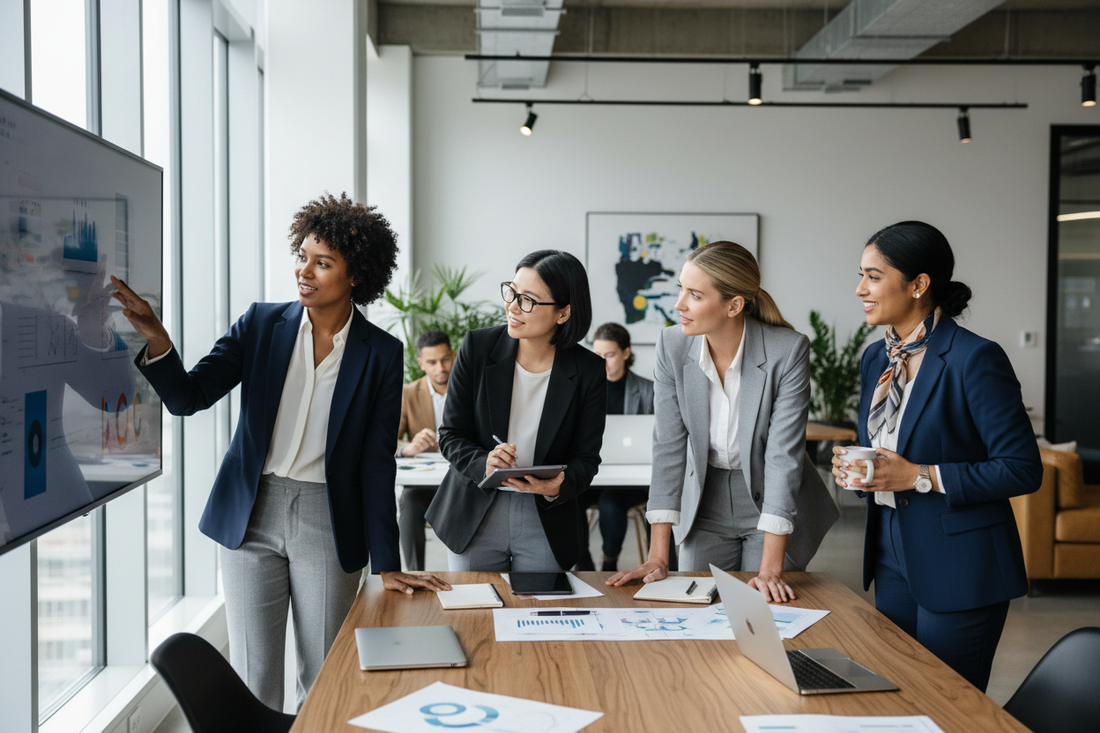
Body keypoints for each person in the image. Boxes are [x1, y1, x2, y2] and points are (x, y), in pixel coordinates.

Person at [110, 193, 449, 709]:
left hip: (328, 517)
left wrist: (387, 562)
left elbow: (377, 462)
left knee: (323, 671)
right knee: (254, 676)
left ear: (355, 274)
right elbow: (189, 398)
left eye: (323, 262)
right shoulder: (262, 325)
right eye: (303, 257)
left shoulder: (380, 352)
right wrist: (158, 338)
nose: (304, 271)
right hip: (251, 513)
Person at [830, 221, 1041, 691]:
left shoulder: (975, 359)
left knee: (947, 703)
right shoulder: (875, 358)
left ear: (919, 285)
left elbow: (1022, 469)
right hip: (890, 551)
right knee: (897, 696)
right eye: (860, 274)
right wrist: (856, 465)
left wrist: (919, 476)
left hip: (962, 562)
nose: (860, 288)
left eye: (873, 275)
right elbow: (891, 448)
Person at [608, 241, 837, 602]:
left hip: (769, 500)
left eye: (694, 295)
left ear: (734, 305)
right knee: (696, 609)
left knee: (764, 609)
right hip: (704, 499)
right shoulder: (672, 345)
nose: (679, 304)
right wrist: (657, 555)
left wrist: (770, 570)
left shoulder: (787, 350)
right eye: (680, 289)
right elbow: (668, 446)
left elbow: (783, 456)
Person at [426, 250, 606, 572]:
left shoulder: (589, 370)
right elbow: (451, 434)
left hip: (545, 518)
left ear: (563, 313)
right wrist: (484, 462)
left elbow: (586, 458)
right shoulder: (477, 348)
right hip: (476, 509)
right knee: (475, 616)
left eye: (528, 300)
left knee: (540, 617)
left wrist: (559, 485)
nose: (511, 306)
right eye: (511, 291)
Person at [575, 322, 659, 572]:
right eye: (597, 355)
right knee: (568, 497)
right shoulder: (582, 389)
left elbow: (658, 439)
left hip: (630, 480)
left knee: (611, 502)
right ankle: (583, 561)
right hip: (591, 474)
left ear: (625, 353)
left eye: (609, 355)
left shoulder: (647, 391)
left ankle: (609, 561)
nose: (602, 362)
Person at [396, 329, 455, 569]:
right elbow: (388, 441)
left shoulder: (470, 389)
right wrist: (408, 448)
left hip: (461, 479)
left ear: (454, 355)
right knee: (409, 500)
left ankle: (470, 574)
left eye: (445, 359)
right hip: (426, 483)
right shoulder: (408, 393)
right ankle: (415, 573)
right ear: (421, 363)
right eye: (432, 362)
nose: (440, 367)